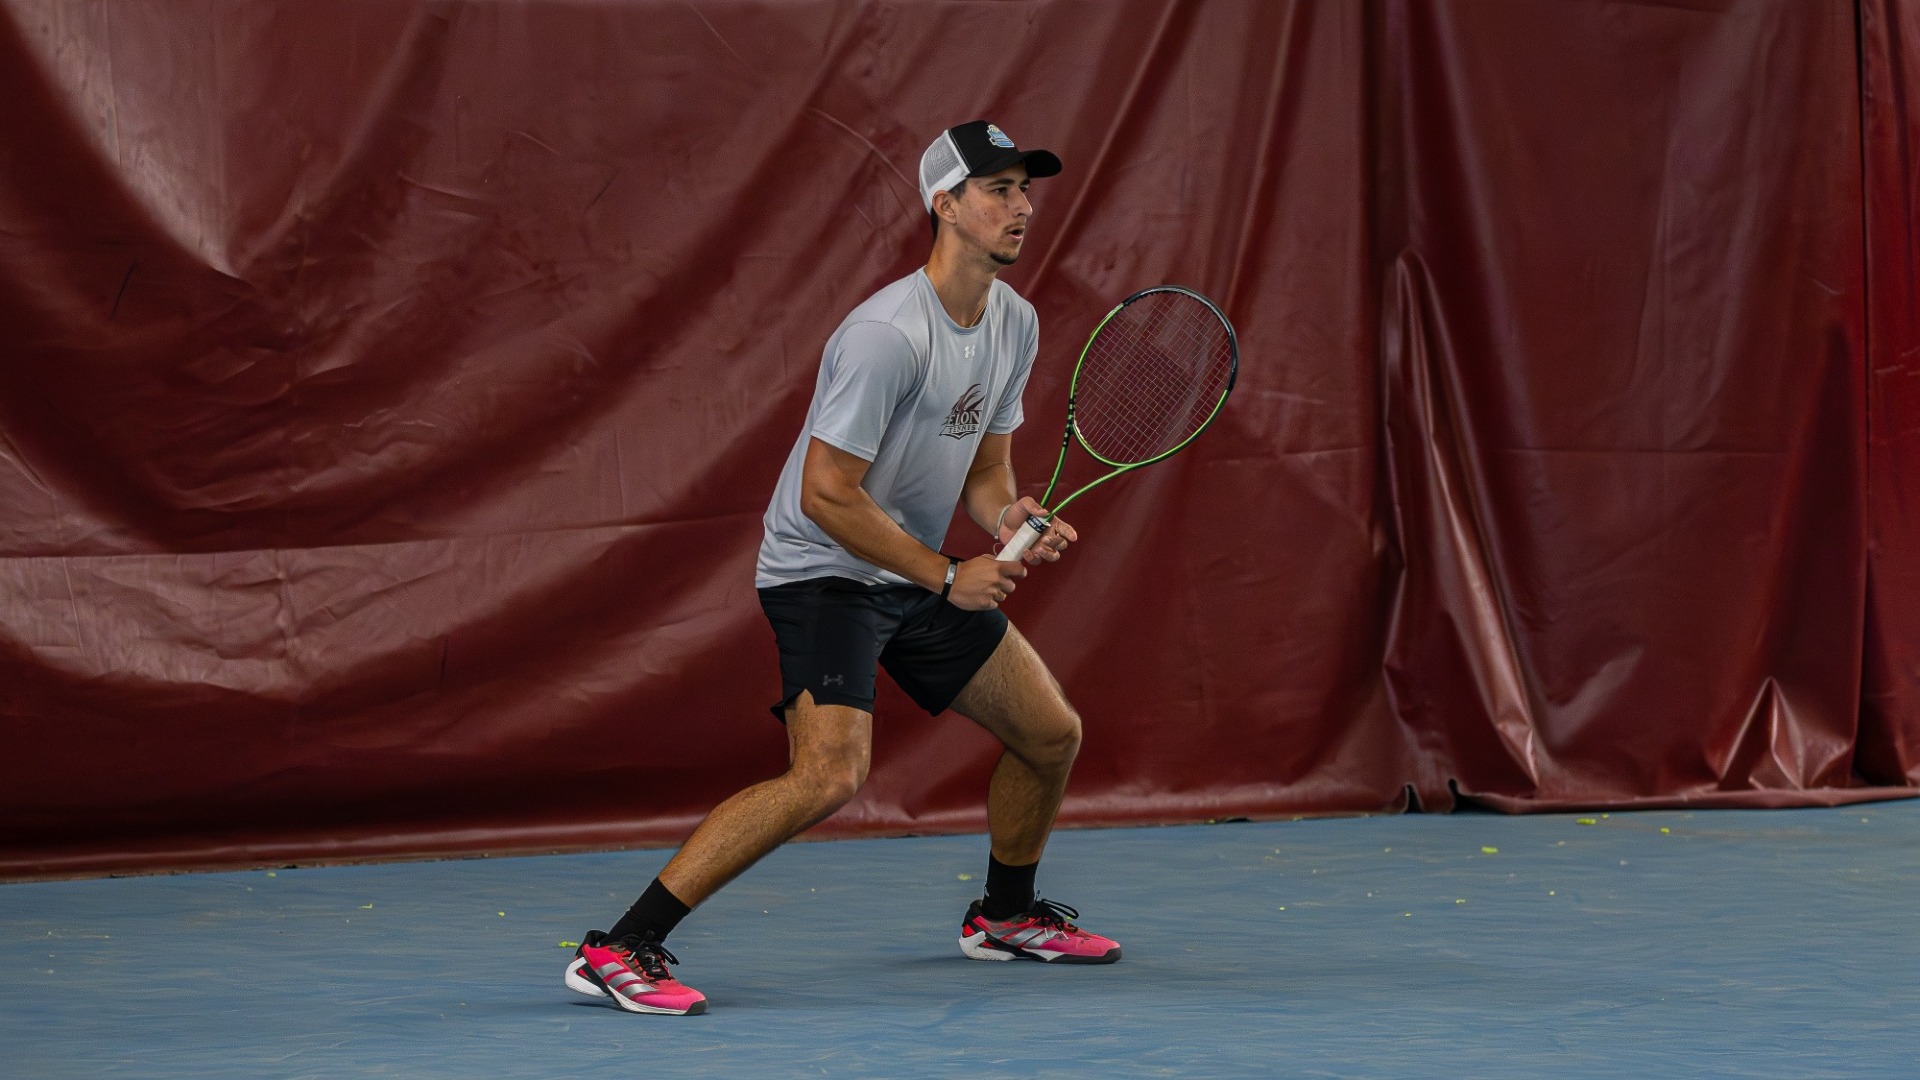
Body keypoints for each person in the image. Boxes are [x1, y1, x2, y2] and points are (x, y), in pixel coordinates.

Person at [564, 120, 1119, 1016]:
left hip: (908, 567)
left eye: (1025, 189)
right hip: (821, 569)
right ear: (945, 205)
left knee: (1051, 733)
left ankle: (1006, 917)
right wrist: (946, 574)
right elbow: (826, 494)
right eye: (999, 190)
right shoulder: (886, 336)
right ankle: (621, 946)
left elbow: (984, 475)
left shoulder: (1015, 322)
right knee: (827, 775)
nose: (1021, 207)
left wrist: (1011, 517)